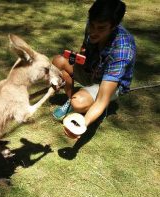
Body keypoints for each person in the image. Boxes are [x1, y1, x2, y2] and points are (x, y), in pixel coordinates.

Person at [52, 0, 136, 139]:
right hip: (91, 69)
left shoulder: (122, 49)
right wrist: (80, 56)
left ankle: (86, 106)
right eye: (92, 25)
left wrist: (82, 125)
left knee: (78, 102)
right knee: (58, 62)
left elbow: (102, 98)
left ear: (114, 26)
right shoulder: (93, 25)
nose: (93, 31)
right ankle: (70, 100)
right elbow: (85, 46)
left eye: (101, 28)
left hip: (108, 84)